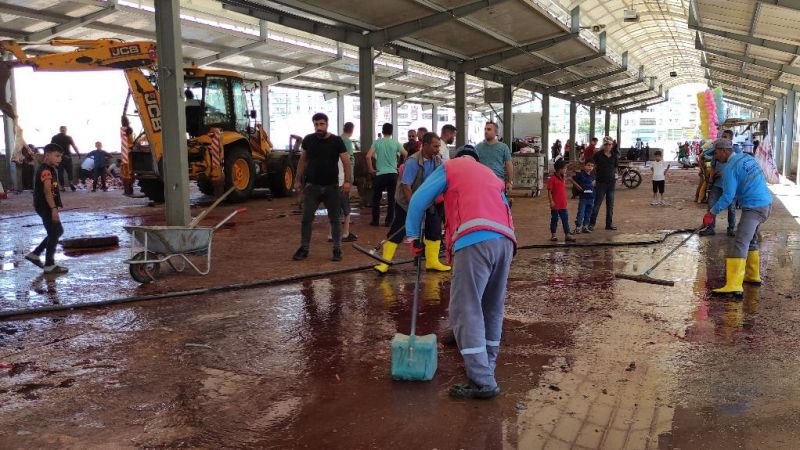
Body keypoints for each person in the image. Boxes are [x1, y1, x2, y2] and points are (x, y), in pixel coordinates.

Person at [405, 147, 516, 400]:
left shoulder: (451, 167)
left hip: (475, 239)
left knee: (466, 308)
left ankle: (482, 381)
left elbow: (418, 200)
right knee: (491, 307)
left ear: (456, 158)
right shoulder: (488, 173)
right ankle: (487, 367)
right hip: (506, 241)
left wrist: (413, 236)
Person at [702, 138, 772, 296]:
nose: (715, 157)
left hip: (754, 208)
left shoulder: (730, 168)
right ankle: (752, 275)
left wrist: (711, 212)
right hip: (766, 204)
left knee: (740, 242)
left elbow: (727, 197)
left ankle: (734, 285)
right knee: (751, 240)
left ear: (725, 151)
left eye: (716, 154)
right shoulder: (747, 158)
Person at [373, 132, 448, 273]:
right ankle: (385, 263)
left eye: (439, 146)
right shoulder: (413, 162)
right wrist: (415, 209)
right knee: (398, 230)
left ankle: (432, 262)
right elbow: (406, 186)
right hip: (406, 202)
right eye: (435, 146)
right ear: (425, 145)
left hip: (428, 200)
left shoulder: (437, 161)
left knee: (434, 229)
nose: (438, 149)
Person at [292, 113, 351, 262]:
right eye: (316, 124)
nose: (319, 127)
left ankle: (337, 249)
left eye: (321, 124)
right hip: (312, 187)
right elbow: (302, 161)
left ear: (327, 124)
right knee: (306, 219)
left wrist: (348, 181)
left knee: (335, 220)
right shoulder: (309, 140)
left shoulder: (337, 141)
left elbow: (346, 162)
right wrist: (297, 180)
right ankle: (304, 248)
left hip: (332, 187)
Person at [25, 144, 68, 274]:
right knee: (55, 232)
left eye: (60, 156)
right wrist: (53, 208)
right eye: (57, 156)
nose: (59, 159)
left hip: (44, 205)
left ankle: (35, 254)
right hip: (46, 206)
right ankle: (49, 264)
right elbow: (47, 191)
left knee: (57, 231)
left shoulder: (48, 168)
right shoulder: (46, 170)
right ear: (47, 155)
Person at [366, 123, 406, 227]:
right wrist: (401, 166)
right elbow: (405, 153)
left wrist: (371, 169)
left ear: (382, 131)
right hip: (392, 174)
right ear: (391, 131)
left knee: (376, 198)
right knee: (391, 199)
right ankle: (389, 221)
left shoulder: (377, 143)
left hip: (380, 174)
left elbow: (368, 156)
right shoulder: (395, 143)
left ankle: (375, 221)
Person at [701, 130, 737, 237]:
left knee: (731, 208)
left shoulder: (736, 156)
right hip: (717, 184)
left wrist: (724, 174)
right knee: (711, 205)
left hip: (730, 186)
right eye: (722, 136)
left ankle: (731, 228)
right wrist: (711, 178)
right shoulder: (717, 153)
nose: (723, 138)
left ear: (730, 139)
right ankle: (710, 228)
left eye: (725, 137)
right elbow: (712, 165)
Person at [589, 137, 618, 231]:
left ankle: (608, 224)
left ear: (612, 145)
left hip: (611, 183)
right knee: (597, 204)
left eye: (610, 144)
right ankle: (591, 224)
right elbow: (592, 167)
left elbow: (615, 168)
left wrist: (616, 176)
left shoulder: (614, 155)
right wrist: (593, 179)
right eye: (606, 144)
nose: (608, 146)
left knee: (610, 205)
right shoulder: (597, 155)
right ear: (603, 145)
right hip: (600, 183)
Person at [475, 122, 513, 194]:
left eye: (489, 129)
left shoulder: (503, 147)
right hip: (481, 182)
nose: (486, 131)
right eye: (485, 129)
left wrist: (510, 182)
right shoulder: (478, 147)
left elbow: (509, 165)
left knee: (498, 204)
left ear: (496, 132)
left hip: (497, 182)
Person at [547, 159, 576, 242]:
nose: (565, 170)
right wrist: (551, 201)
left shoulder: (563, 178)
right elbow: (549, 191)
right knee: (554, 219)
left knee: (565, 220)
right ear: (559, 169)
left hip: (563, 204)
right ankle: (553, 235)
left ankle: (567, 235)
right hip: (555, 205)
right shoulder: (552, 179)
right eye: (564, 168)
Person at [51, 126, 80, 192]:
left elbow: (51, 147)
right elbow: (74, 146)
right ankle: (70, 183)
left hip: (59, 157)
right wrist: (78, 153)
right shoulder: (68, 137)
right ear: (65, 130)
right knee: (69, 171)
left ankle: (62, 187)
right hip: (67, 157)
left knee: (60, 172)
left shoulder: (55, 137)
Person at [572, 160, 595, 234]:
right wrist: (579, 188)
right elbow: (572, 180)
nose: (590, 167)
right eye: (588, 165)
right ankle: (578, 227)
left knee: (588, 213)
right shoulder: (580, 174)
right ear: (584, 166)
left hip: (591, 198)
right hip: (583, 198)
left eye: (592, 166)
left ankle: (585, 227)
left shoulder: (593, 175)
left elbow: (594, 184)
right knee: (581, 213)